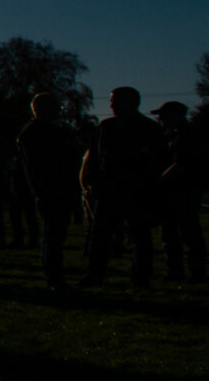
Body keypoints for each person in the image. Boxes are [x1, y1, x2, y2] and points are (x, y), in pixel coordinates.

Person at [79, 86, 163, 290]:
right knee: (100, 236)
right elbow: (95, 157)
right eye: (111, 102)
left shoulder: (148, 129)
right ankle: (94, 275)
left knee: (140, 236)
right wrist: (92, 180)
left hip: (137, 191)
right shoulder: (106, 127)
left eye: (116, 102)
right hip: (108, 190)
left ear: (132, 103)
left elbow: (159, 161)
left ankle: (140, 279)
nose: (112, 106)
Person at [16, 92, 80, 290]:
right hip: (52, 190)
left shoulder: (39, 131)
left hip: (54, 189)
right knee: (53, 236)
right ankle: (54, 277)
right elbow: (41, 166)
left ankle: (55, 276)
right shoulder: (38, 133)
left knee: (55, 235)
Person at [154, 101, 206, 285]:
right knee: (174, 233)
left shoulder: (187, 136)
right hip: (177, 192)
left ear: (176, 115)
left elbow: (183, 163)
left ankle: (193, 272)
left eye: (163, 115)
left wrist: (159, 181)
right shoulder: (175, 135)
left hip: (183, 192)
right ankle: (178, 271)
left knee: (187, 233)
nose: (160, 119)